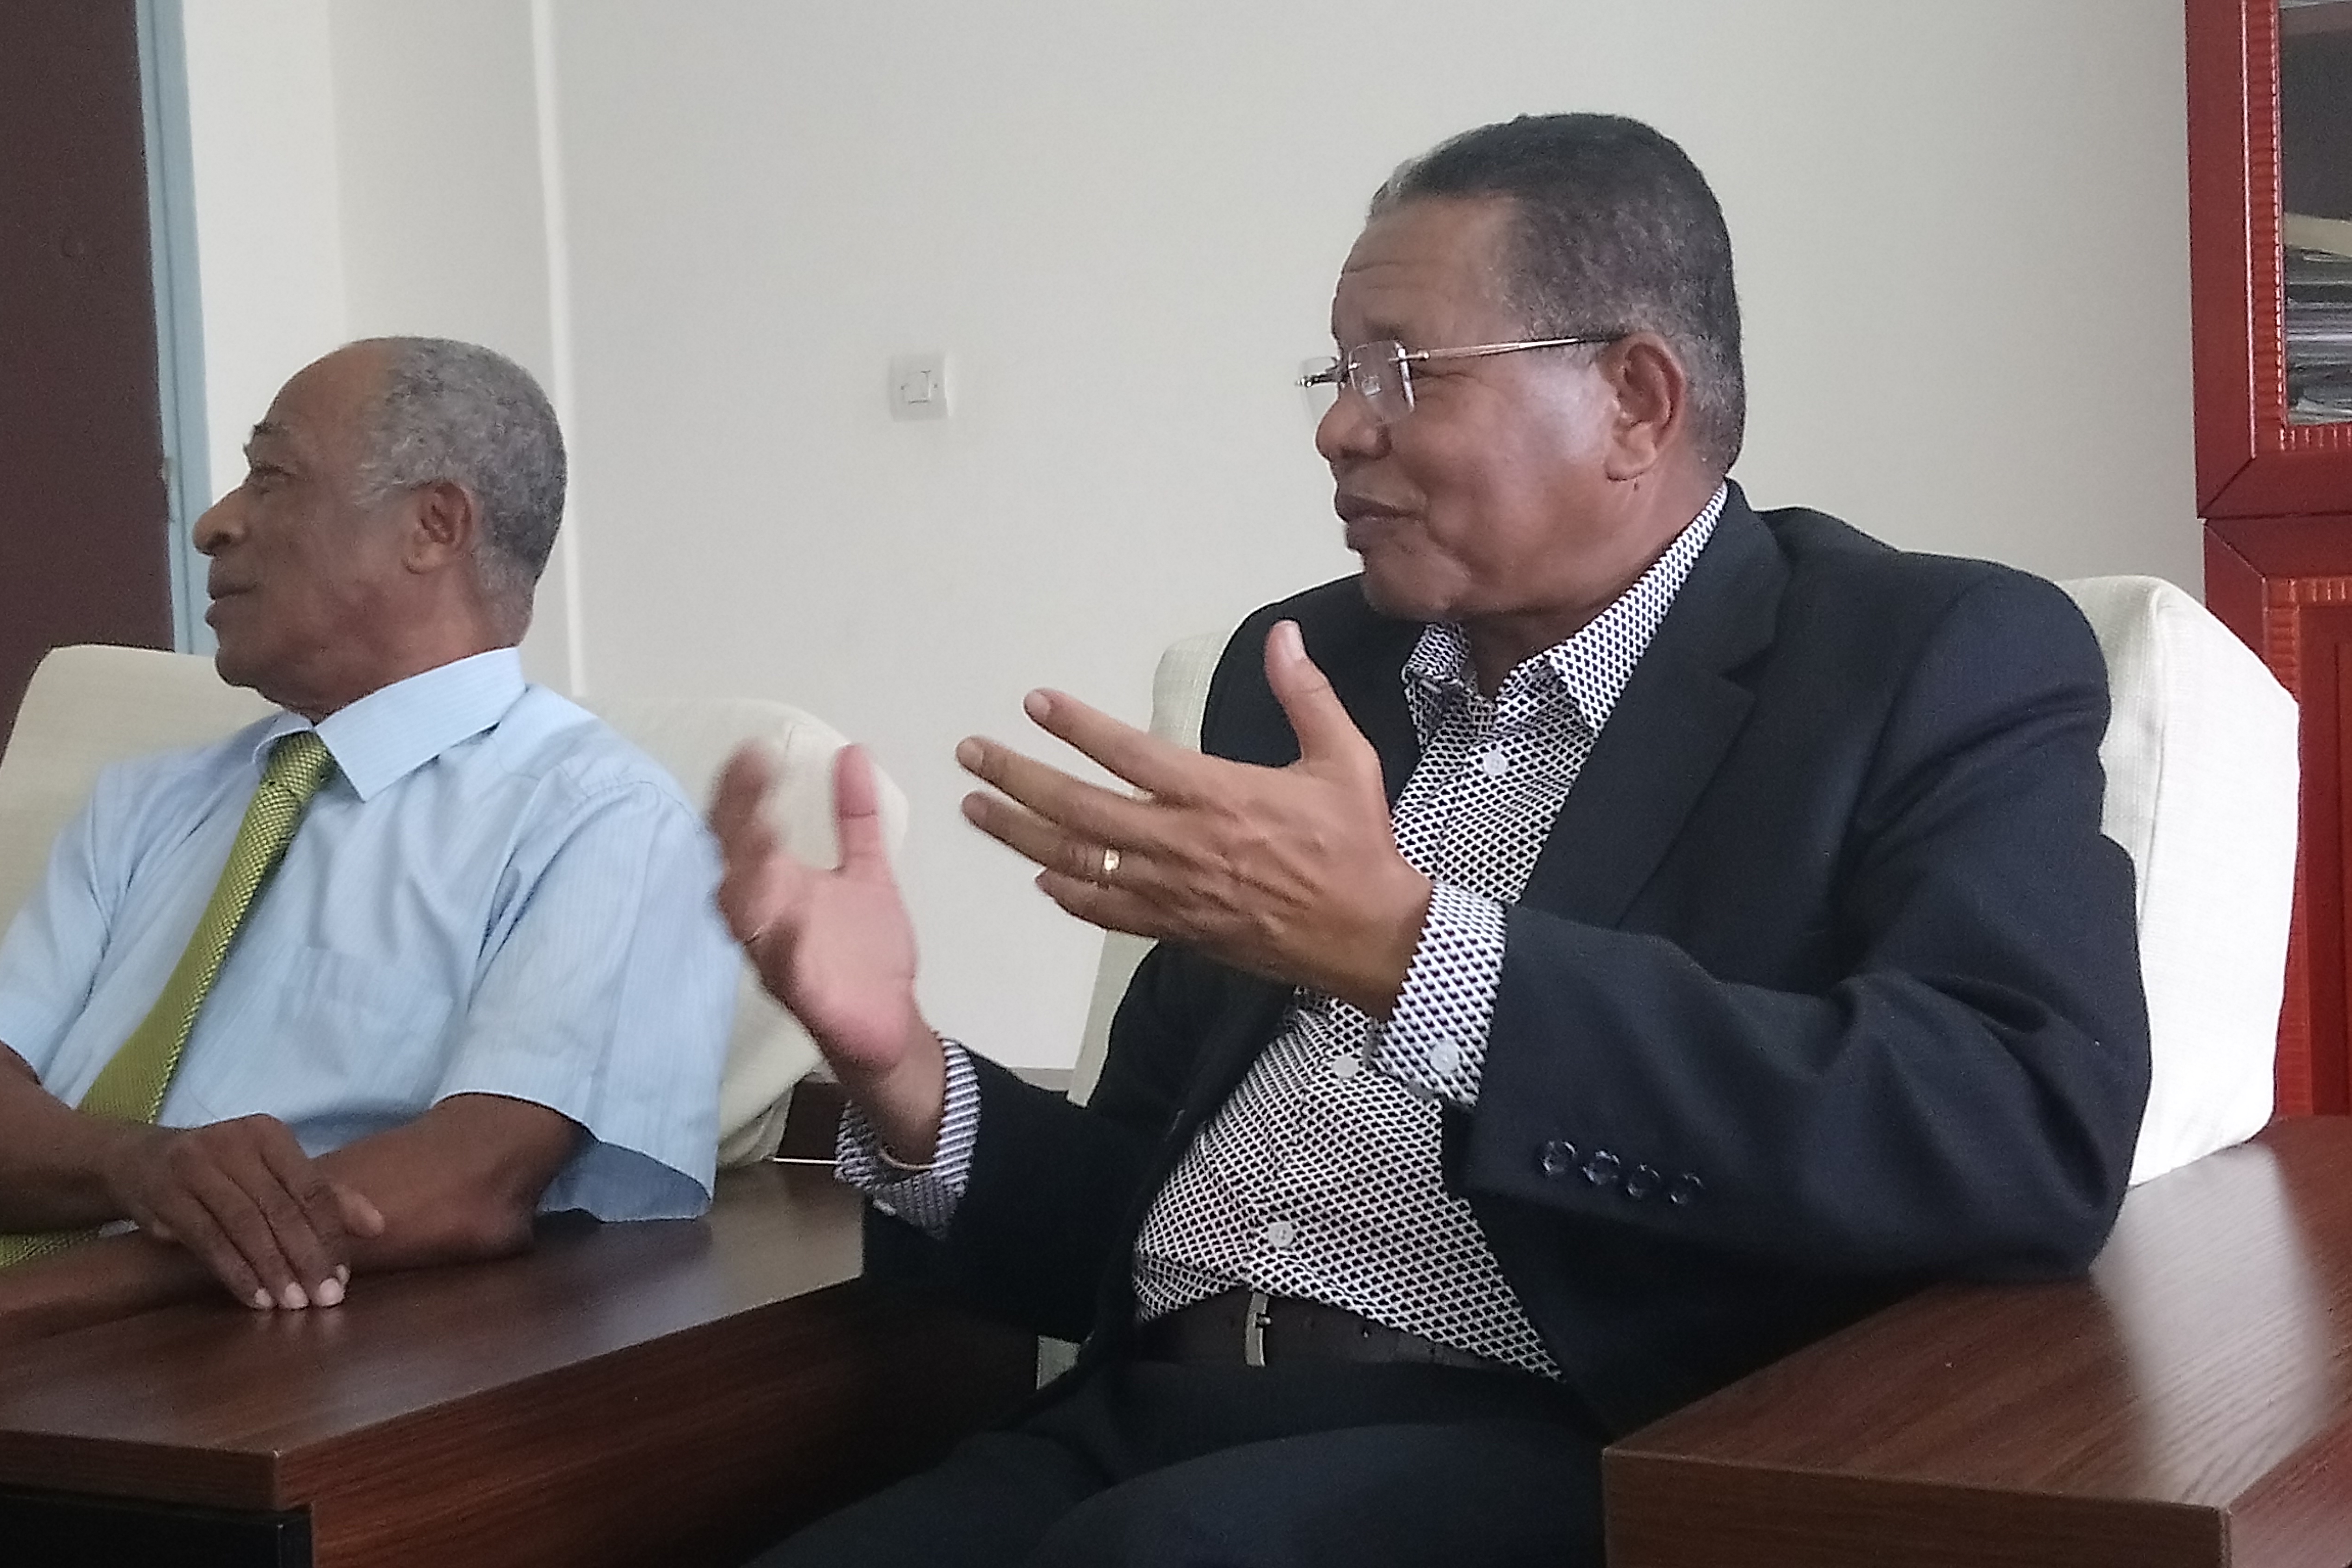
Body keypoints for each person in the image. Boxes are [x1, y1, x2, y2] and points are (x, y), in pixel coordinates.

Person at [710, 115, 2150, 1568]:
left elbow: (2022, 1131)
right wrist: (899, 1070)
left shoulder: (1918, 658)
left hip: (1550, 1448)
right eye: (1338, 373)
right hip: (1141, 1426)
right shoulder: (1297, 674)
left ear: (1635, 402)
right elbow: (1127, 1216)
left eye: (1401, 372)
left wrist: (1413, 954)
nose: (1341, 428)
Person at [0, 337, 739, 1566]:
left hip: (185, 1401)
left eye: (272, 477)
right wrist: (135, 1165)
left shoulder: (596, 822)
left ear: (434, 527)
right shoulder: (147, 804)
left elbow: (469, 1187)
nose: (214, 524)